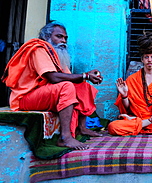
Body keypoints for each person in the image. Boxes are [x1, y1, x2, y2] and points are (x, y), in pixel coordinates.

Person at [1, 22, 103, 150]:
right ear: (46, 37)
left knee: (83, 86)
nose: (63, 41)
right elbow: (53, 78)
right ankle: (65, 137)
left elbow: (72, 79)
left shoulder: (56, 53)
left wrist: (87, 76)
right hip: (25, 98)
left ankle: (82, 127)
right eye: (59, 37)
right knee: (67, 87)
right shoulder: (38, 49)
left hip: (44, 93)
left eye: (65, 38)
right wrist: (85, 75)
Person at [108, 32, 152, 136]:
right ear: (142, 59)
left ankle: (141, 126)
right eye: (146, 57)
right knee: (113, 126)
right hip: (139, 118)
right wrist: (124, 95)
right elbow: (126, 108)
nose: (149, 60)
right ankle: (145, 124)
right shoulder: (132, 79)